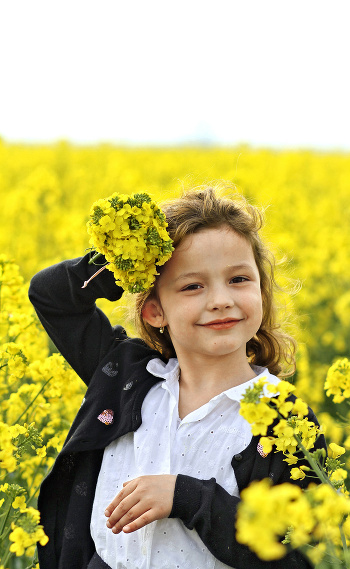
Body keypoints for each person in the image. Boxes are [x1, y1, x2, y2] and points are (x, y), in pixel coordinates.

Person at [29, 186, 326, 569]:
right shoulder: (129, 376)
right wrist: (130, 259)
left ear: (262, 293)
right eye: (192, 286)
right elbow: (52, 296)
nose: (220, 299)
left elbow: (297, 554)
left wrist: (187, 497)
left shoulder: (282, 417)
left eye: (239, 280)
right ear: (154, 311)